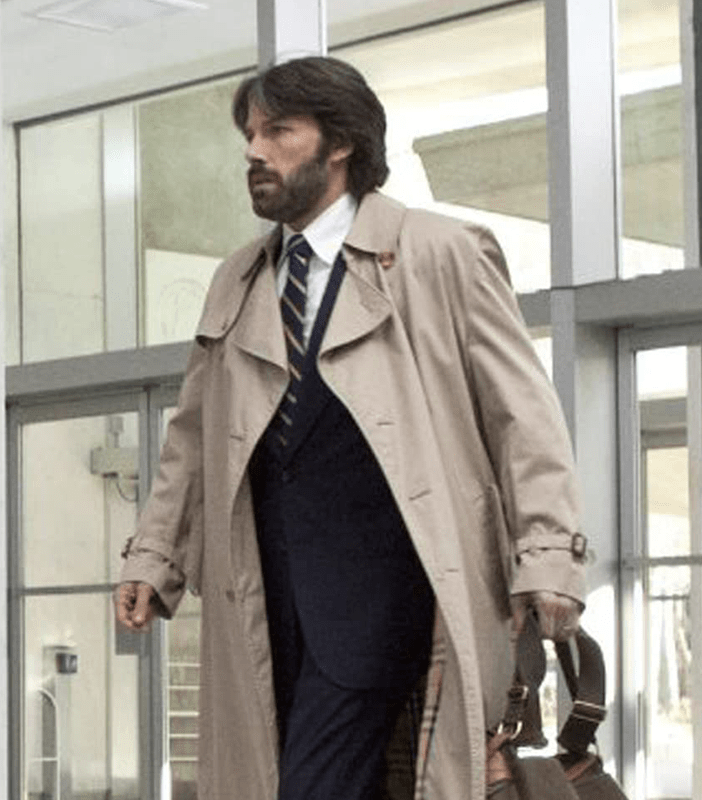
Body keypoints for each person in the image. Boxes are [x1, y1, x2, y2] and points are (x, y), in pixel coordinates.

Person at [114, 56, 587, 800]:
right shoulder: (238, 279)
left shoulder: (440, 252)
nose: (254, 151)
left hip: (391, 593)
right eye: (249, 134)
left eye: (278, 131)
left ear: (339, 144)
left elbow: (522, 414)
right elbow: (194, 438)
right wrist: (154, 555)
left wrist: (549, 552)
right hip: (262, 600)